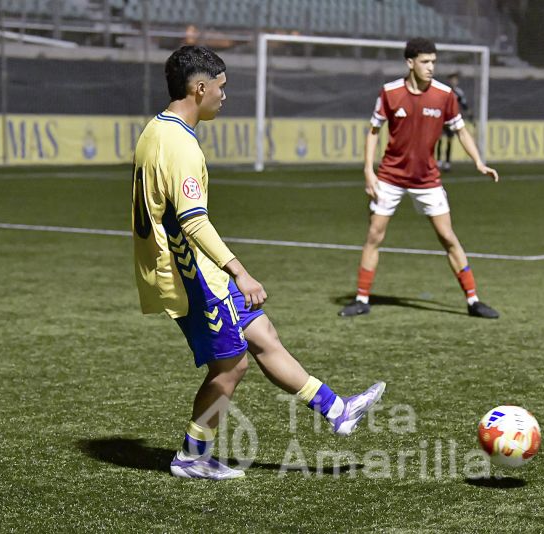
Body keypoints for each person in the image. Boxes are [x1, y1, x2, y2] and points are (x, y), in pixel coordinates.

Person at [132, 46, 386, 481]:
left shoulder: (156, 130)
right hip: (194, 275)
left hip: (191, 268)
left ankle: (337, 411)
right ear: (199, 87)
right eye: (221, 87)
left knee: (263, 333)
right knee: (232, 366)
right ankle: (193, 456)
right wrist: (239, 271)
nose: (224, 96)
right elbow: (193, 222)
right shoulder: (179, 145)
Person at [338, 38, 500, 319]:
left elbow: (460, 131)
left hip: (427, 179)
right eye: (425, 62)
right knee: (374, 235)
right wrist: (368, 171)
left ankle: (473, 300)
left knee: (447, 236)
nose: (431, 67)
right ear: (410, 63)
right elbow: (374, 131)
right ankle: (362, 298)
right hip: (390, 177)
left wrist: (478, 161)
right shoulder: (389, 93)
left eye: (434, 62)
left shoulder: (444, 94)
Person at [436, 72, 471, 172]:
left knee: (449, 141)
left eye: (455, 79)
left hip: (451, 120)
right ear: (449, 80)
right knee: (439, 140)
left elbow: (464, 104)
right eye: (452, 79)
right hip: (441, 119)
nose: (454, 81)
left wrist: (469, 114)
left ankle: (447, 163)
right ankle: (438, 161)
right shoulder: (444, 90)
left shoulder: (458, 92)